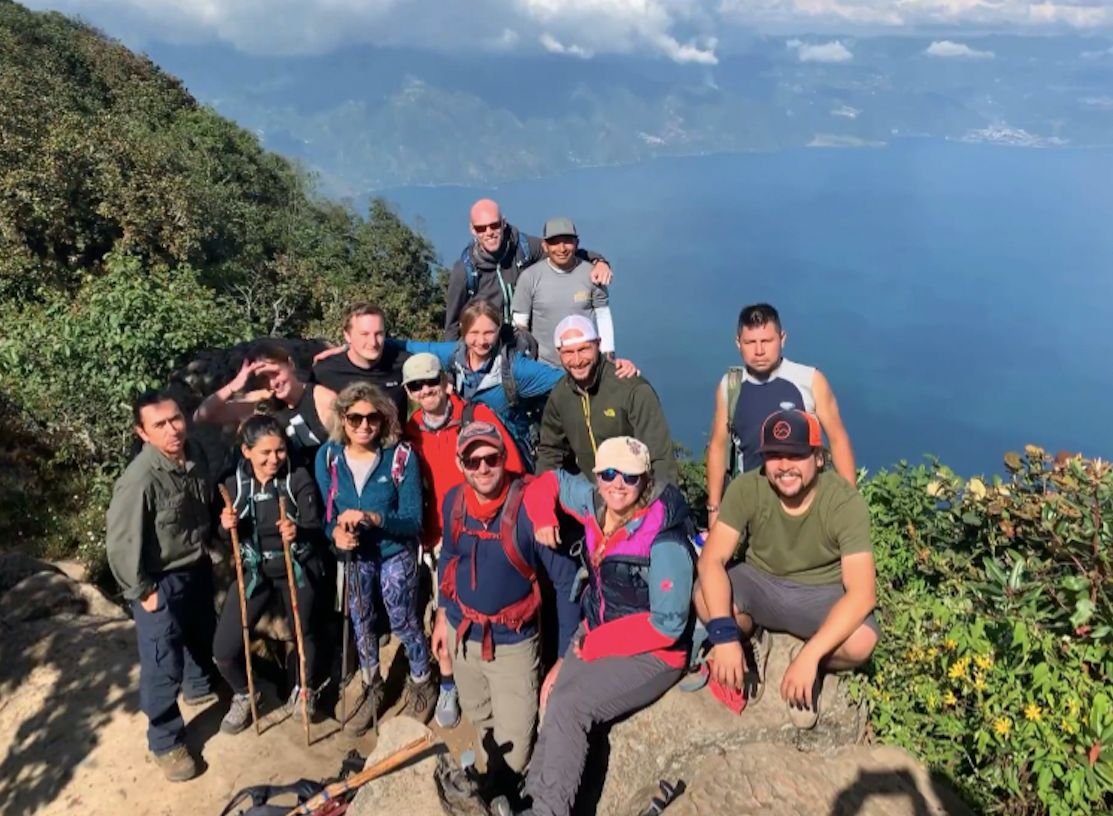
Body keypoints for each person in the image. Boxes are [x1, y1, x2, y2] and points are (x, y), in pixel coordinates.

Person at [517, 437, 695, 816]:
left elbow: (669, 625)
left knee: (570, 706)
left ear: (645, 481)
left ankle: (549, 810)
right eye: (609, 474)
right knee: (554, 696)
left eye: (629, 477)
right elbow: (547, 481)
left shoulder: (663, 537)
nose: (618, 484)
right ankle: (533, 798)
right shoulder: (595, 503)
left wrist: (598, 644)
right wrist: (544, 517)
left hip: (654, 653)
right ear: (597, 477)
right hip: (597, 626)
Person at [695, 409, 878, 729]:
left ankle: (809, 662)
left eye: (796, 454)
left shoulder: (843, 502)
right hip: (759, 582)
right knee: (703, 597)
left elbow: (862, 594)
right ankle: (746, 642)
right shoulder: (747, 488)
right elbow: (711, 560)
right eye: (774, 455)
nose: (784, 466)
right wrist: (724, 636)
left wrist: (810, 657)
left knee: (862, 640)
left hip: (820, 594)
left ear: (818, 458)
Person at [431, 422, 580, 800]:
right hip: (462, 633)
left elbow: (566, 584)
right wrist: (440, 619)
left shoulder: (530, 508)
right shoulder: (454, 502)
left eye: (491, 458)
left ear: (503, 458)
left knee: (516, 744)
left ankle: (503, 792)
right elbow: (449, 559)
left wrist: (563, 658)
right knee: (479, 717)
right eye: (472, 459)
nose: (482, 468)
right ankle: (486, 782)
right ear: (460, 462)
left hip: (513, 641)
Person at [402, 352, 524, 728]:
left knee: (484, 604)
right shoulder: (411, 430)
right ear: (408, 391)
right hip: (440, 536)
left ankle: (491, 679)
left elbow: (513, 468)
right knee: (446, 611)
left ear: (445, 381)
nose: (426, 390)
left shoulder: (476, 417)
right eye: (416, 386)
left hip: (486, 531)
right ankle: (450, 683)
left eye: (431, 381)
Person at [106, 391, 217, 782]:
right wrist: (142, 592)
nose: (172, 430)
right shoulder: (138, 480)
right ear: (143, 432)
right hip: (158, 579)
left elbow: (204, 506)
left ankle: (198, 684)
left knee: (199, 632)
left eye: (176, 419)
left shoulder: (193, 457)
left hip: (196, 566)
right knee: (161, 660)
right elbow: (120, 544)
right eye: (160, 425)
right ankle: (166, 740)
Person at [316, 382, 435, 732]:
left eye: (373, 418)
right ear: (343, 418)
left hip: (393, 550)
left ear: (384, 419)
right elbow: (327, 516)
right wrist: (334, 533)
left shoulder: (401, 458)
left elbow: (413, 520)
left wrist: (374, 518)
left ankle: (421, 680)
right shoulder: (329, 457)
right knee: (361, 620)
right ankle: (372, 686)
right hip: (355, 554)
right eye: (355, 418)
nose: (364, 426)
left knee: (402, 620)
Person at [212, 415, 324, 733]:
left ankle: (304, 689)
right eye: (265, 453)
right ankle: (246, 694)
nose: (274, 459)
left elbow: (317, 527)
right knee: (223, 651)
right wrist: (226, 527)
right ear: (246, 451)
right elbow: (221, 535)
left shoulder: (297, 477)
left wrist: (297, 530)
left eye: (280, 451)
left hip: (296, 565)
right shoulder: (233, 485)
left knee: (303, 632)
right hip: (255, 571)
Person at [705, 303, 856, 530]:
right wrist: (714, 509)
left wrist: (849, 503)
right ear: (738, 343)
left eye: (767, 341)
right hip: (752, 507)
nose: (759, 351)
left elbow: (838, 439)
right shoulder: (730, 385)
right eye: (750, 342)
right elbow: (717, 446)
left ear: (782, 338)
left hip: (806, 503)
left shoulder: (809, 380)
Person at [536, 315, 678, 486]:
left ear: (598, 344)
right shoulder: (561, 394)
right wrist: (541, 495)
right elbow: (551, 451)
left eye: (584, 349)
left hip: (634, 493)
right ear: (558, 353)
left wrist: (664, 507)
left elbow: (660, 457)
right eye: (568, 352)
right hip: (591, 496)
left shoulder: (631, 389)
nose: (577, 360)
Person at [444, 198, 613, 339]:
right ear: (472, 230)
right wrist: (453, 371)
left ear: (503, 223)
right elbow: (451, 326)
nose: (489, 232)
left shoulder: (523, 249)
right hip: (487, 348)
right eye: (481, 228)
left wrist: (598, 260)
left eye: (494, 225)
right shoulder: (465, 271)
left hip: (526, 348)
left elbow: (559, 251)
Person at [194, 339, 336, 471]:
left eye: (275, 373)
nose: (273, 383)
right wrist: (233, 386)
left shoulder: (322, 399)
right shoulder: (264, 404)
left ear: (290, 364)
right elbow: (202, 416)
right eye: (264, 379)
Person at [511, 217, 614, 368]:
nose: (562, 248)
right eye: (554, 242)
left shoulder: (593, 274)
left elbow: (603, 318)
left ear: (577, 244)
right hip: (544, 368)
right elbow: (520, 327)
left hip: (587, 365)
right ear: (544, 246)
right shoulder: (529, 277)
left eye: (567, 241)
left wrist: (608, 357)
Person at [311, 303, 410, 421]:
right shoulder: (325, 371)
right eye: (364, 334)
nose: (373, 342)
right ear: (347, 336)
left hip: (395, 438)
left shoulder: (404, 364)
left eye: (379, 334)